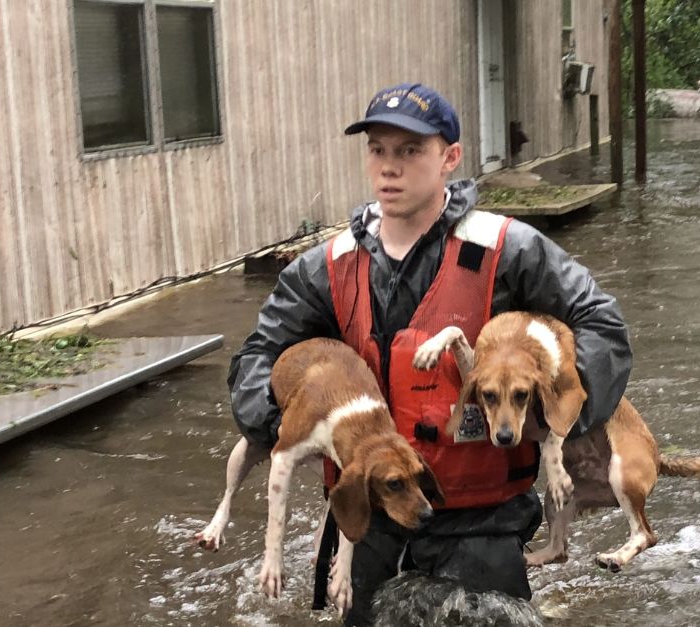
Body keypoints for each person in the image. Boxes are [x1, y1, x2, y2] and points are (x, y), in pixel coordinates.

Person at [227, 83, 631, 625]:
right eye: (378, 150)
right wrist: (281, 423)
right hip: (367, 518)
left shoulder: (509, 249)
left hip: (482, 524)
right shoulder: (325, 267)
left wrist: (555, 409)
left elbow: (602, 323)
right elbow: (260, 354)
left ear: (450, 157)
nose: (389, 168)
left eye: (410, 151)